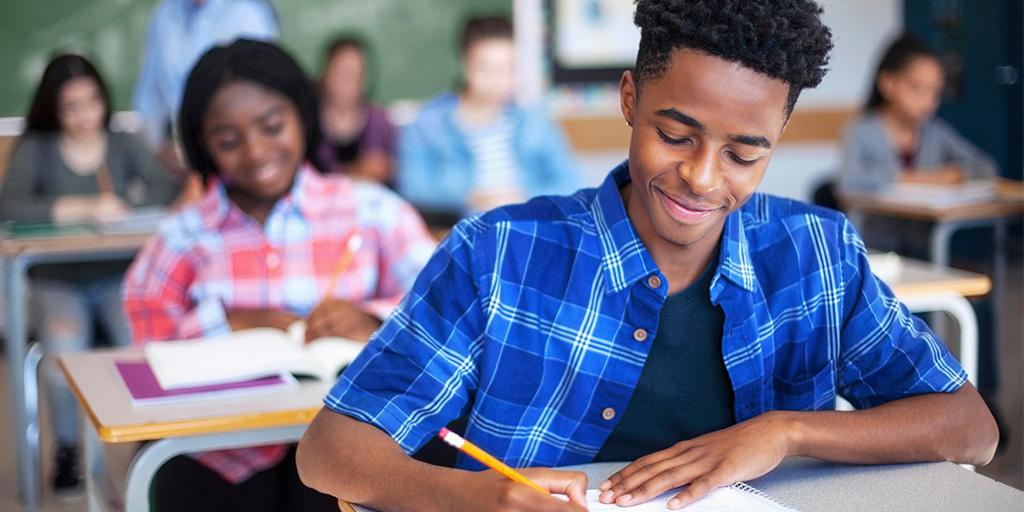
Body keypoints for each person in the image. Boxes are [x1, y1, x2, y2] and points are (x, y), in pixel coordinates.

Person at [295, 1, 999, 511]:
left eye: (744, 153)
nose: (702, 176)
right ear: (630, 101)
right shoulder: (498, 254)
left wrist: (783, 432)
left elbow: (971, 429)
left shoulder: (818, 253)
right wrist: (473, 496)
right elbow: (329, 447)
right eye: (675, 133)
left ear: (775, 142)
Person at [122, 40, 437, 512]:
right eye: (228, 140)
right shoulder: (182, 234)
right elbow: (146, 347)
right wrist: (227, 322)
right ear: (202, 144)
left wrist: (372, 318)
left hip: (356, 441)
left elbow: (442, 304)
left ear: (304, 117)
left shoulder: (372, 209)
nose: (256, 150)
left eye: (272, 126)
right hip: (221, 450)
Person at [0, 53, 179, 501]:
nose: (84, 116)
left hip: (117, 278)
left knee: (143, 345)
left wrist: (127, 206)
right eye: (71, 106)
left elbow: (165, 189)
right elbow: (10, 206)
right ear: (53, 108)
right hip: (58, 280)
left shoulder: (123, 142)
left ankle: (146, 443)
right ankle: (67, 448)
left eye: (92, 102)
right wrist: (81, 209)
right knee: (63, 352)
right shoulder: (37, 147)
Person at [396, 15, 580, 217]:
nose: (497, 80)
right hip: (461, 232)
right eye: (486, 68)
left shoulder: (534, 121)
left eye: (507, 69)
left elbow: (572, 182)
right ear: (464, 65)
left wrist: (524, 196)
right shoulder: (428, 124)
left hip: (527, 227)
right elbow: (414, 188)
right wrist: (471, 197)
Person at [133, 0, 278, 189]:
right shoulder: (166, 12)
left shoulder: (247, 11)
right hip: (177, 161)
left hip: (233, 153)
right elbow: (148, 92)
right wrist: (159, 148)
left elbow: (259, 94)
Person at [839, 34, 997, 195]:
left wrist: (957, 173)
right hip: (877, 220)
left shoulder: (936, 131)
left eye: (935, 92)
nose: (928, 101)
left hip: (928, 220)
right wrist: (924, 178)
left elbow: (986, 167)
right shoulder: (860, 131)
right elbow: (849, 183)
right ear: (888, 83)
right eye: (917, 88)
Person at [317, 35, 398, 185]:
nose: (348, 82)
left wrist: (388, 168)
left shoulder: (380, 122)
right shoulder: (307, 121)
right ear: (325, 73)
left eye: (356, 74)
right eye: (342, 73)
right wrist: (355, 171)